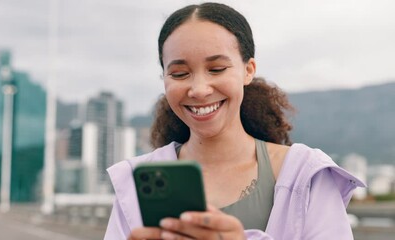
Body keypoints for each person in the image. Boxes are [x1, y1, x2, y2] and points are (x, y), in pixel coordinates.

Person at [104, 2, 364, 239]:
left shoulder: (307, 176)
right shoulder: (135, 181)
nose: (199, 89)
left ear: (248, 70)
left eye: (216, 69)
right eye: (180, 73)